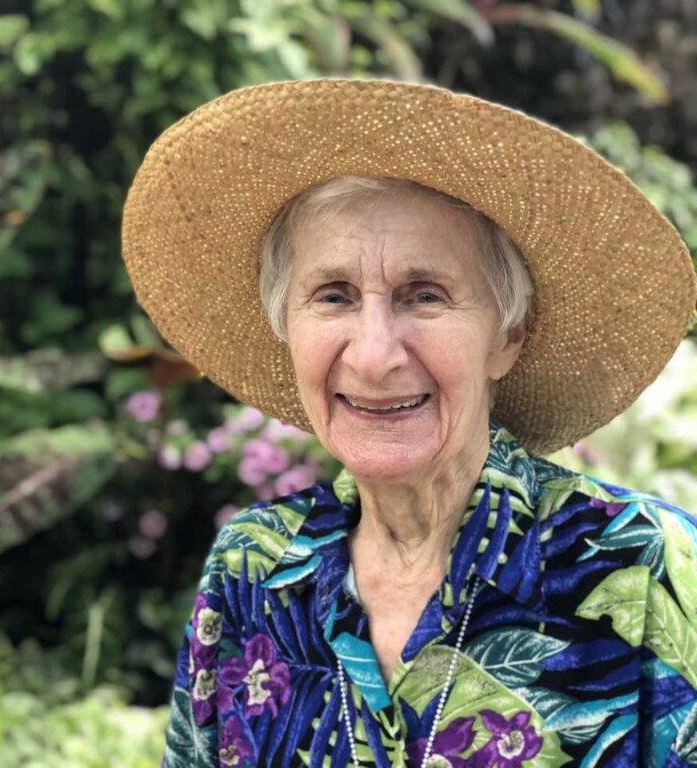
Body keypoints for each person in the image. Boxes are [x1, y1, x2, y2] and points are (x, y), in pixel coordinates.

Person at [121, 79, 697, 767]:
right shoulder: (253, 571)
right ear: (288, 328)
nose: (372, 355)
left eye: (424, 296)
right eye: (333, 296)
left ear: (508, 335)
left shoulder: (644, 563)